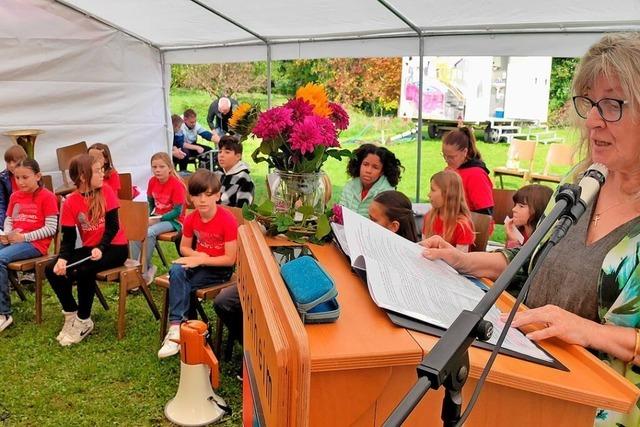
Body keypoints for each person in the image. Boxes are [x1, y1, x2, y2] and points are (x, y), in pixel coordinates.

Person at [421, 33, 640, 426]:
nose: (592, 119)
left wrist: (589, 331)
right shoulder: (583, 185)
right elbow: (528, 262)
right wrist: (463, 260)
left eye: (611, 104)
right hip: (524, 386)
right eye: (589, 103)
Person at [45, 154, 128, 346]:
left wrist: (101, 247)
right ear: (83, 177)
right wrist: (63, 258)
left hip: (115, 248)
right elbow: (69, 237)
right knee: (52, 269)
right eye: (98, 171)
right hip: (92, 248)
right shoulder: (71, 201)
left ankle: (84, 320)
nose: (102, 174)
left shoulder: (106, 191)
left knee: (84, 270)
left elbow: (113, 227)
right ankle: (71, 313)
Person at [158, 169, 237, 358]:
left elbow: (230, 259)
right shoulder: (192, 218)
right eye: (197, 195)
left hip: (220, 269)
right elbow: (184, 247)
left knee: (180, 284)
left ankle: (185, 330)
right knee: (177, 269)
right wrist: (196, 256)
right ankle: (180, 328)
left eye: (207, 195)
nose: (202, 200)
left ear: (217, 196)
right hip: (200, 264)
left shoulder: (227, 220)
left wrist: (203, 259)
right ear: (191, 198)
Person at [0, 159, 58, 333]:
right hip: (15, 240)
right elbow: (10, 219)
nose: (20, 182)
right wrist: (7, 234)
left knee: (0, 259)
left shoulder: (47, 197)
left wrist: (23, 237)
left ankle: (4, 313)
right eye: (17, 178)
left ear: (38, 176)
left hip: (35, 244)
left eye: (25, 177)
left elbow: (50, 228)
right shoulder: (15, 196)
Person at [131, 152, 186, 284]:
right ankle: (135, 268)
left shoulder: (176, 184)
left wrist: (159, 219)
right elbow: (150, 203)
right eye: (154, 167)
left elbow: (178, 211)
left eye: (161, 167)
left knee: (149, 233)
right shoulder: (152, 182)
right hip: (157, 217)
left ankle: (142, 273)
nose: (157, 170)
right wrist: (149, 217)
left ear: (170, 168)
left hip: (174, 220)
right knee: (135, 230)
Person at [339, 143, 403, 216]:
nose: (368, 171)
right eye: (365, 164)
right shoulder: (350, 185)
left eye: (375, 167)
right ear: (359, 164)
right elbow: (341, 212)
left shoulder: (387, 193)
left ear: (382, 172)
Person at [441, 127, 494, 215]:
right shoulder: (450, 170)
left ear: (465, 152)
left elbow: (485, 214)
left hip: (471, 226)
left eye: (451, 157)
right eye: (444, 155)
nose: (446, 160)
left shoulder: (476, 175)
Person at [422, 170, 475, 252]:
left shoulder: (462, 226)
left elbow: (460, 260)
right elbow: (423, 248)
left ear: (448, 194)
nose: (429, 194)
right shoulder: (429, 216)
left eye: (433, 190)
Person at [504, 184, 553, 249]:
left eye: (521, 206)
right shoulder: (518, 231)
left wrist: (514, 242)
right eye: (515, 205)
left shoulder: (543, 239)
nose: (514, 209)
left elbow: (519, 258)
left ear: (538, 209)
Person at [215, 135, 254, 207]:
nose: (221, 155)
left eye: (227, 152)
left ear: (238, 156)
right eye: (220, 152)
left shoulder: (244, 179)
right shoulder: (217, 174)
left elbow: (241, 210)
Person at [0, 145, 28, 230]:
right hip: (10, 217)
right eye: (8, 162)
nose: (11, 165)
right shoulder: (2, 179)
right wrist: (1, 227)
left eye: (15, 161)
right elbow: (1, 205)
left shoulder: (32, 175)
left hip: (30, 216)